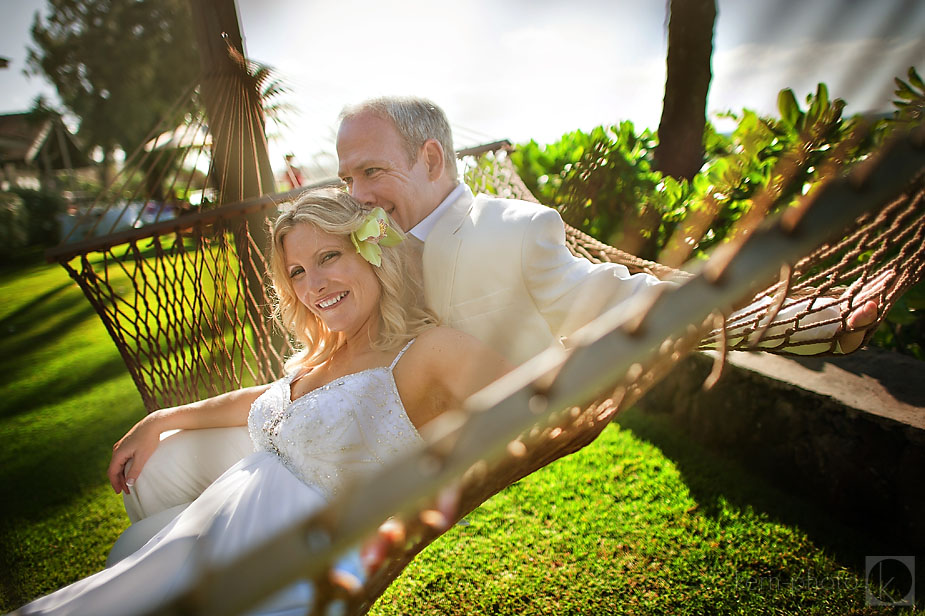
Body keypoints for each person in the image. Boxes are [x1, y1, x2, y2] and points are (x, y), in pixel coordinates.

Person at [119, 95, 881, 537]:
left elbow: (628, 300)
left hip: (394, 454)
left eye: (371, 172)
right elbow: (320, 349)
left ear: (431, 162)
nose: (354, 192)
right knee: (152, 490)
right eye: (346, 174)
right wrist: (172, 414)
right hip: (315, 432)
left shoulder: (510, 233)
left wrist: (804, 316)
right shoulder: (368, 236)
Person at [12, 188, 508, 616]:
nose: (313, 287)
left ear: (374, 251)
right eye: (296, 271)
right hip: (215, 528)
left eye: (328, 258)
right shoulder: (328, 356)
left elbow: (536, 394)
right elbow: (260, 400)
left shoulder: (425, 352)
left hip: (279, 559)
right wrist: (162, 418)